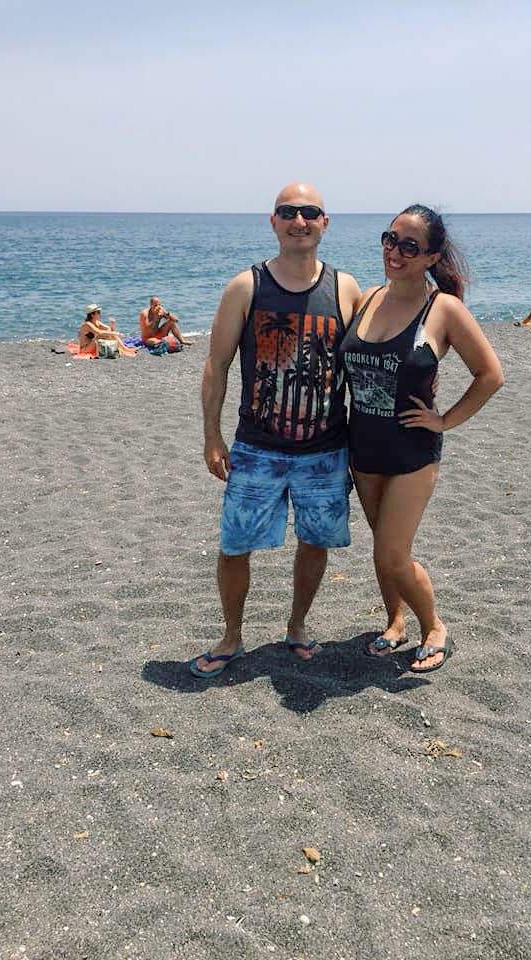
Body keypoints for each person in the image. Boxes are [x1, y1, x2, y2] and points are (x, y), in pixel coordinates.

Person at [190, 183, 361, 678]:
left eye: (310, 212)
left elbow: (369, 360)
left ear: (325, 223)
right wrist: (211, 435)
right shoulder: (247, 286)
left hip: (325, 450)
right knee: (234, 545)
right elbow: (217, 365)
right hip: (257, 447)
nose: (299, 220)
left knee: (315, 541)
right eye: (289, 212)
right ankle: (232, 636)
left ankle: (297, 627)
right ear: (273, 221)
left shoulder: (345, 288)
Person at [340, 205, 504, 673]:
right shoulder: (368, 297)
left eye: (410, 246)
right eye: (390, 240)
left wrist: (445, 419)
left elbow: (490, 375)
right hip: (363, 447)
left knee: (393, 553)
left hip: (413, 453)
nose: (396, 252)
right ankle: (395, 622)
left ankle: (434, 627)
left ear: (431, 256)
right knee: (380, 547)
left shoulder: (443, 309)